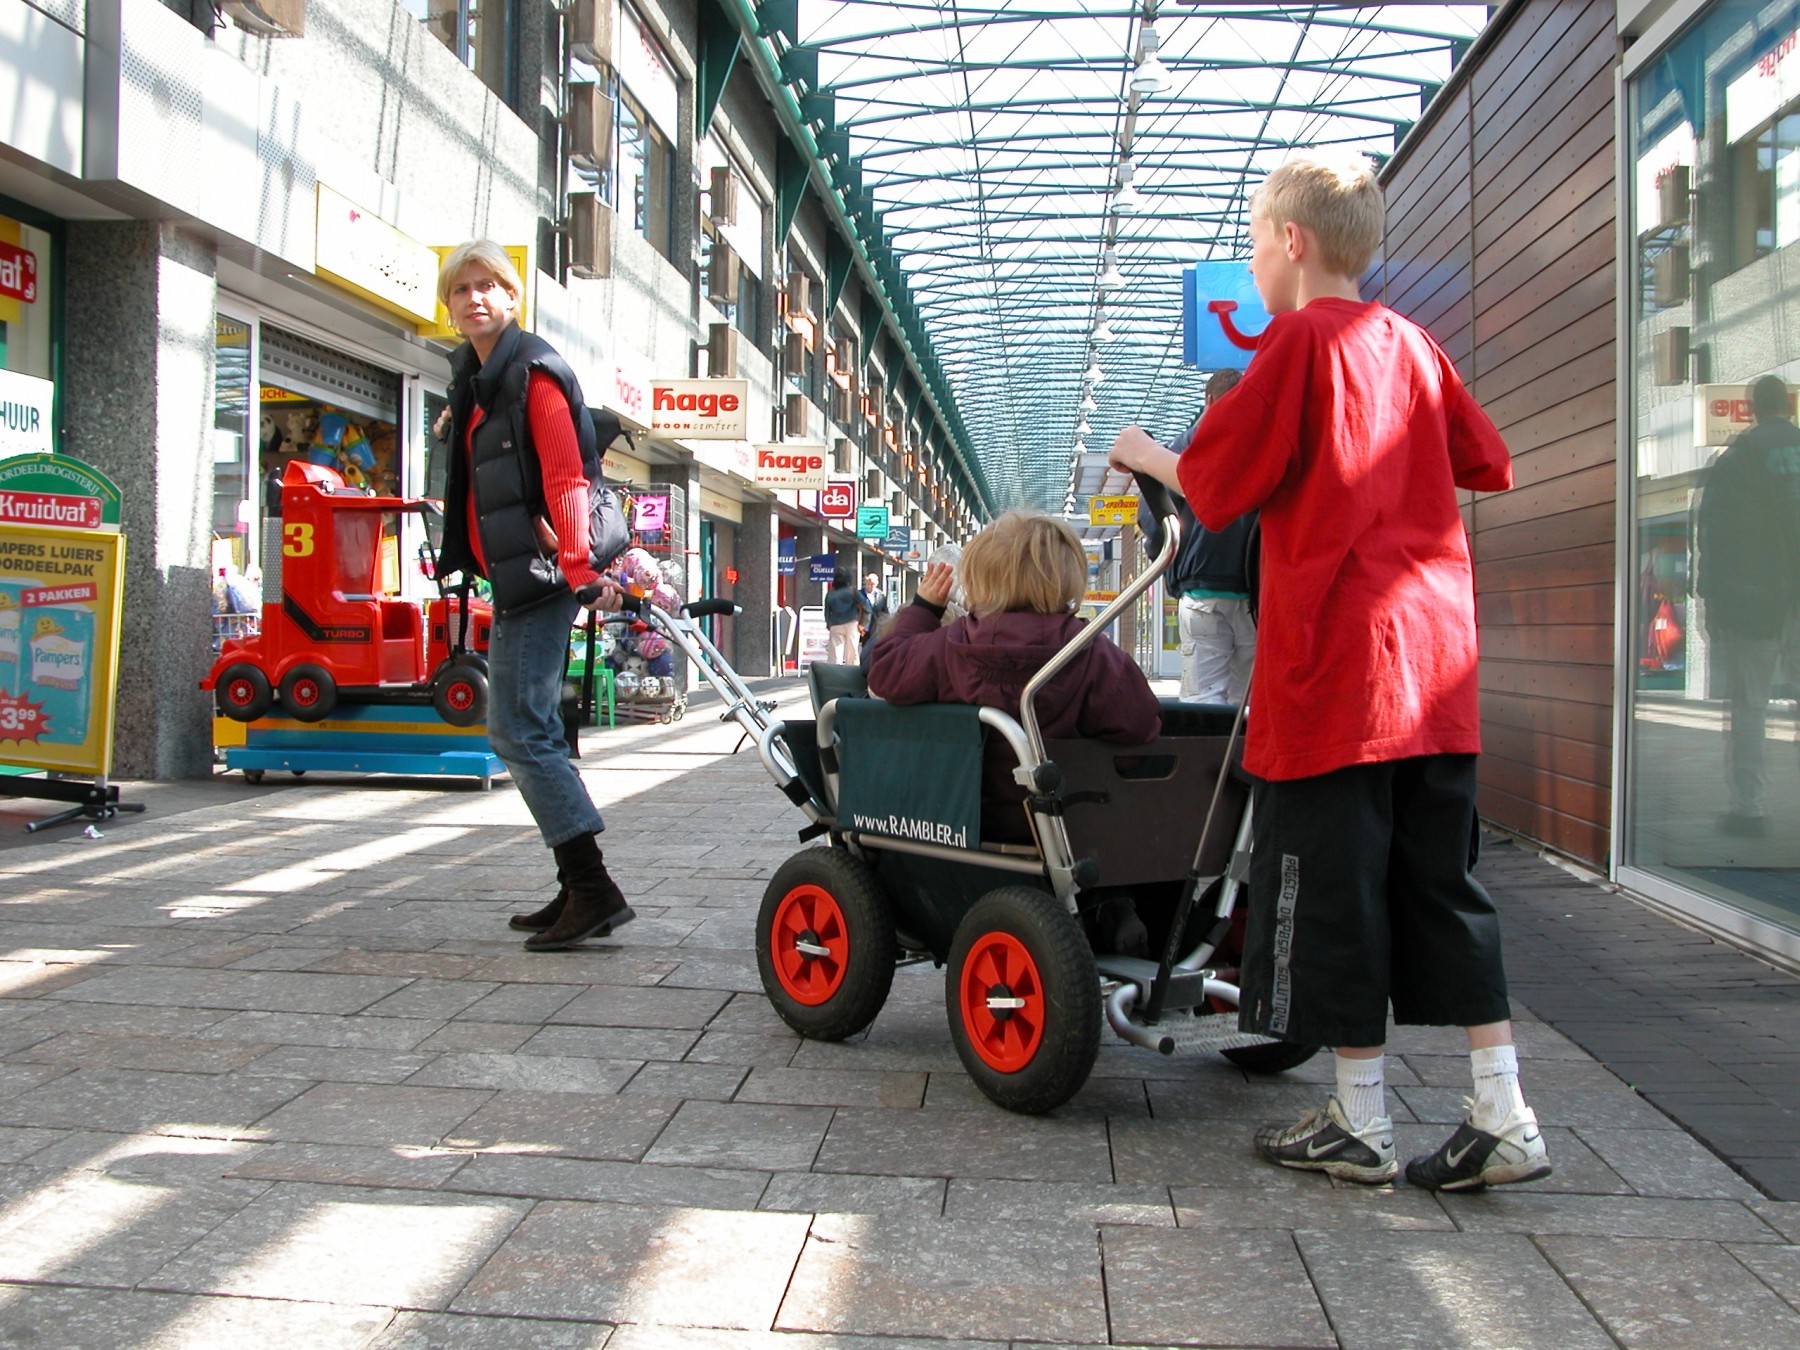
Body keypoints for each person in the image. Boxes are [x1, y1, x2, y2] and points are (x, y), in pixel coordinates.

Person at [1110, 150, 1544, 1192]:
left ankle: (1360, 1119)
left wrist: (1145, 455)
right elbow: (1486, 458)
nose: (1253, 261)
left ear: (1293, 243)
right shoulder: (1416, 346)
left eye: (1256, 241)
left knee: (1328, 891)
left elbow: (1216, 487)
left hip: (1337, 678)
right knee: (1443, 886)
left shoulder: (1299, 342)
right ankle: (1503, 1111)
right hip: (1438, 675)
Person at [436, 240, 634, 953]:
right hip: (516, 577)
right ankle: (576, 882)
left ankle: (590, 887)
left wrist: (579, 564)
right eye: (462, 289)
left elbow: (566, 478)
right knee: (530, 727)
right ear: (449, 303)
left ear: (514, 297)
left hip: (545, 579)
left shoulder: (533, 373)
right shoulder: (477, 378)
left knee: (517, 729)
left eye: (490, 285)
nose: (476, 298)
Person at [868, 509, 1162, 845]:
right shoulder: (1097, 655)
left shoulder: (947, 647)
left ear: (978, 579)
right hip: (1066, 827)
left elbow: (885, 672)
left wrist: (923, 609)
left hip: (965, 824)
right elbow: (1142, 731)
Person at [1694, 373, 1800, 838]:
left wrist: (1710, 600)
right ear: (1790, 407)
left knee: (1751, 707)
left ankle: (1750, 809)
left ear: (1754, 408)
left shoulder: (1737, 458)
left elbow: (1714, 533)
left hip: (1755, 604)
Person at [1137, 367, 1259, 703]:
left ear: (1208, 400)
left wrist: (1164, 557)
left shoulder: (1184, 448)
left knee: (1204, 697)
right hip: (1253, 592)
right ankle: (1243, 755)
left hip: (1200, 590)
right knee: (1250, 699)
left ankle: (1207, 754)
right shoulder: (1262, 449)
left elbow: (1153, 518)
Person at [823, 568, 864, 663]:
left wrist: (829, 624)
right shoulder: (852, 591)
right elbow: (866, 605)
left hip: (835, 624)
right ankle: (852, 673)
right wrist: (862, 623)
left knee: (835, 653)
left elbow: (827, 611)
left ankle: (835, 674)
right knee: (852, 651)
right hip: (852, 623)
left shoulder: (830, 593)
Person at [858, 572, 889, 641]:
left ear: (876, 585)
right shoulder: (859, 594)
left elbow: (885, 612)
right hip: (863, 627)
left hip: (876, 627)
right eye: (868, 584)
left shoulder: (881, 596)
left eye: (872, 585)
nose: (870, 586)